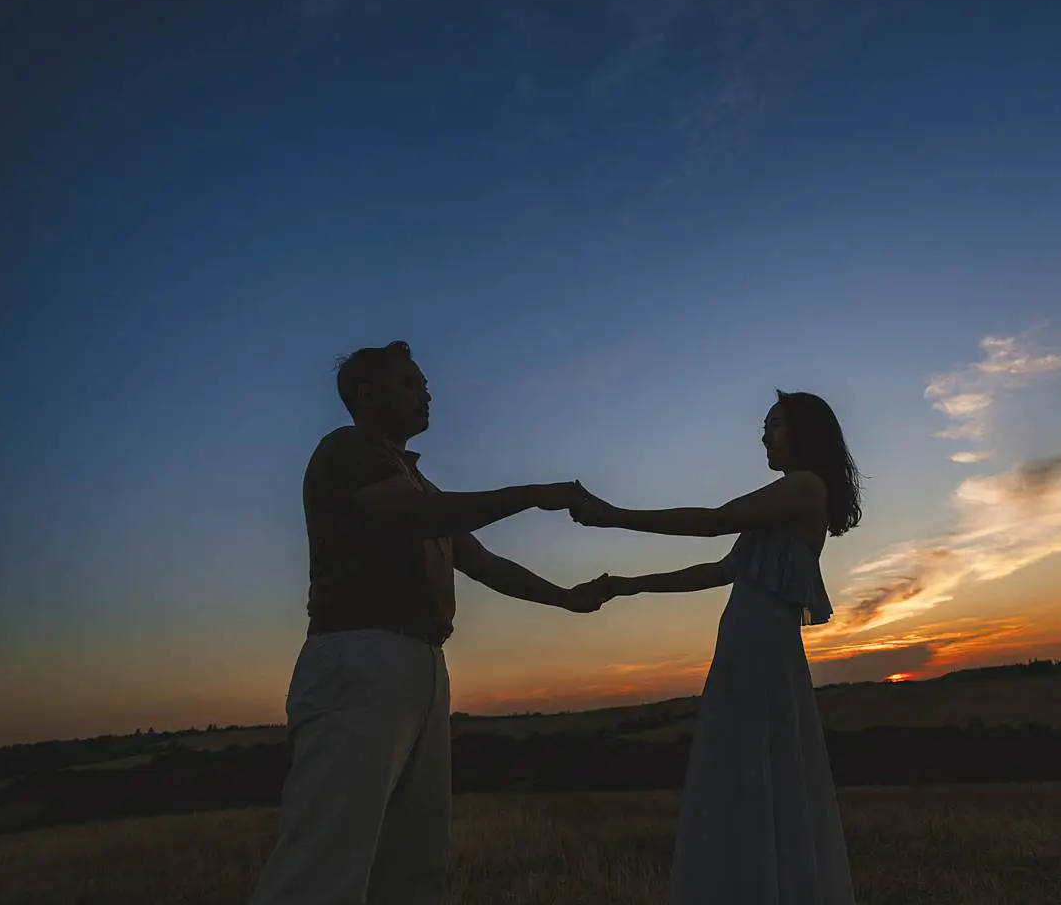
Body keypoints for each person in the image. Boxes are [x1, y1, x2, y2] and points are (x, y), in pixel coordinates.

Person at [248, 340, 603, 905]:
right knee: (324, 862)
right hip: (360, 659)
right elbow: (413, 517)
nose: (427, 393)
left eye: (424, 384)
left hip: (420, 664)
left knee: (412, 863)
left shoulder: (415, 481)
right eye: (411, 383)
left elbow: (481, 561)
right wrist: (533, 494)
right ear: (366, 396)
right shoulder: (349, 451)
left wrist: (567, 599)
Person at [570, 389, 862, 905]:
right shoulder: (786, 501)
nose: (764, 435)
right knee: (746, 770)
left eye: (775, 424)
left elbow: (710, 520)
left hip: (761, 651)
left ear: (805, 434)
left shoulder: (804, 487)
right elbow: (719, 570)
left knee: (758, 766)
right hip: (745, 647)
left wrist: (613, 515)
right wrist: (631, 583)